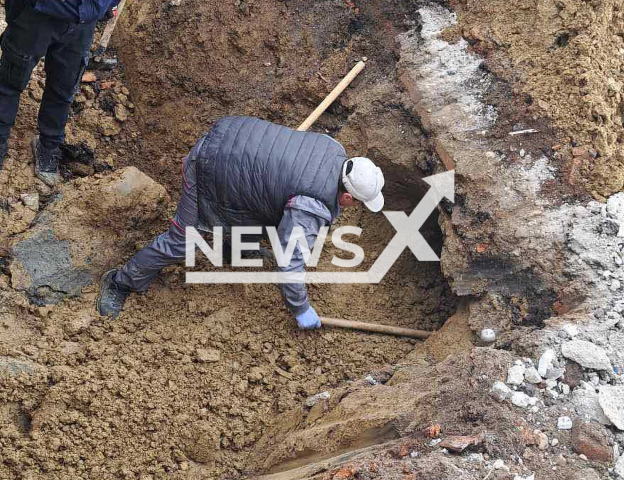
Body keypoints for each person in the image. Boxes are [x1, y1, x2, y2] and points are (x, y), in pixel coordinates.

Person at [97, 116, 386, 329]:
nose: (353, 207)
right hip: (210, 165)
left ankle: (232, 248)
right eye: (357, 202)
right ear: (347, 196)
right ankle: (121, 282)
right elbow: (289, 262)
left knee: (270, 211)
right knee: (182, 242)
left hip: (231, 136)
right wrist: (301, 309)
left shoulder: (333, 148)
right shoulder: (310, 205)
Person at [0, 0, 120, 183]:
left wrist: (103, 8)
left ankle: (48, 145)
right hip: (37, 15)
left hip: (81, 23)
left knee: (64, 88)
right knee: (9, 84)